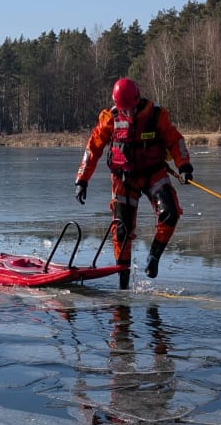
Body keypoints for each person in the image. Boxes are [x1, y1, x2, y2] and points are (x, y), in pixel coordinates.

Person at [74, 78, 192, 285]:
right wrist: (82, 179)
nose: (127, 113)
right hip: (124, 178)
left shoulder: (156, 116)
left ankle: (154, 256)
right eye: (124, 110)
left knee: (170, 212)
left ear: (138, 100)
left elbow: (175, 140)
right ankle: (123, 282)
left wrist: (184, 166)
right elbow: (93, 148)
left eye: (130, 109)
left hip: (153, 173)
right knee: (122, 230)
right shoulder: (110, 118)